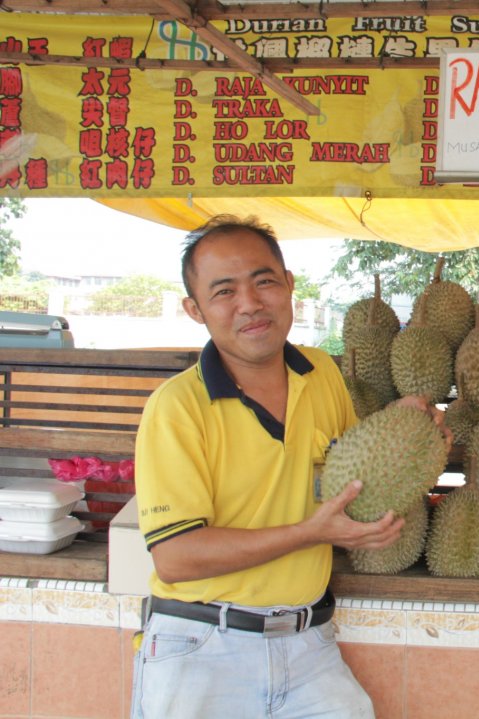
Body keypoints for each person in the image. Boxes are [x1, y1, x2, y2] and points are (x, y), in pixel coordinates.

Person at [131, 215, 439, 718]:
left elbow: (351, 478)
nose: (250, 304)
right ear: (195, 309)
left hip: (307, 641)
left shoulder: (321, 374)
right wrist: (309, 533)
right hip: (204, 644)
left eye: (264, 281)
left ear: (289, 283)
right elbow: (175, 557)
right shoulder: (176, 406)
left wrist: (411, 432)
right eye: (224, 292)